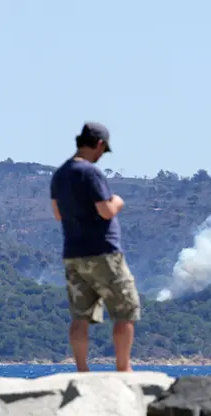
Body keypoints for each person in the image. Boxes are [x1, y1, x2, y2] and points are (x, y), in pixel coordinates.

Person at [50, 122, 141, 372]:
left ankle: (82, 370)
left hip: (73, 253)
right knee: (125, 309)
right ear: (99, 145)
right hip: (103, 252)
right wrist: (118, 202)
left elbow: (57, 213)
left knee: (80, 315)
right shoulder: (90, 173)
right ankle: (124, 370)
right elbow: (106, 210)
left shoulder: (60, 174)